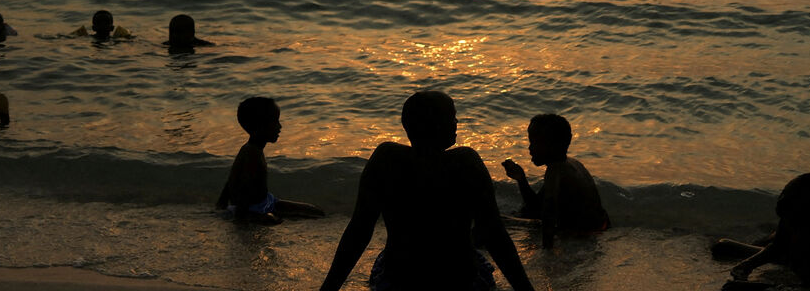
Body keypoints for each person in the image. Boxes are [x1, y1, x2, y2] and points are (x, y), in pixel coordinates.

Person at [319, 91, 536, 291]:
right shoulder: (466, 162)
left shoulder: (386, 159)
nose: (457, 123)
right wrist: (525, 289)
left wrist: (328, 288)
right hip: (459, 281)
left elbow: (359, 230)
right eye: (452, 117)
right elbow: (494, 233)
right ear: (437, 125)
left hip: (401, 281)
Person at [712, 173, 810, 286]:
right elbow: (777, 247)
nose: (781, 200)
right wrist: (747, 265)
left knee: (725, 249)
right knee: (722, 246)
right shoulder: (791, 215)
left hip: (806, 262)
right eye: (783, 192)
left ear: (808, 209)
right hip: (790, 254)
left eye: (790, 198)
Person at [501, 114, 609, 248]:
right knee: (519, 213)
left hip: (582, 234)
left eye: (534, 143)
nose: (530, 148)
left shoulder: (555, 171)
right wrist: (521, 179)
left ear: (551, 145)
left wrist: (547, 252)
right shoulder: (572, 163)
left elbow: (548, 214)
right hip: (600, 226)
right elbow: (536, 206)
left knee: (498, 221)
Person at [215, 97, 325, 223]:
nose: (280, 126)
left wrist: (221, 204)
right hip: (251, 208)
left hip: (267, 201)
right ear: (260, 126)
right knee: (272, 220)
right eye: (275, 122)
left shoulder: (253, 149)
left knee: (315, 211)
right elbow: (243, 190)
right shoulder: (251, 153)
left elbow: (229, 182)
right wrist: (240, 217)